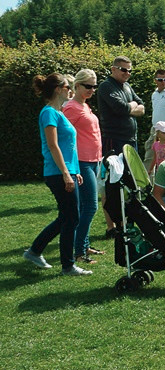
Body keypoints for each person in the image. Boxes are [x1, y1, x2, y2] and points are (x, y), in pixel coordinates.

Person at [24, 73, 91, 275]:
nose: (70, 90)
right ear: (58, 89)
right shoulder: (48, 113)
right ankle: (68, 265)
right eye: (68, 87)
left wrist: (75, 171)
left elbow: (69, 146)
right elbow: (53, 145)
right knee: (72, 218)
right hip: (57, 173)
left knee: (67, 217)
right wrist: (66, 173)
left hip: (67, 171)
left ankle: (35, 251)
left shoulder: (58, 113)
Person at [62, 68, 106, 265]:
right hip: (81, 161)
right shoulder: (71, 108)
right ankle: (79, 251)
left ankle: (84, 245)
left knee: (84, 206)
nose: (92, 90)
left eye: (94, 86)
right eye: (88, 86)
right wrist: (70, 166)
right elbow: (63, 136)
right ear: (77, 85)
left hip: (93, 160)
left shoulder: (85, 106)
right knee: (90, 206)